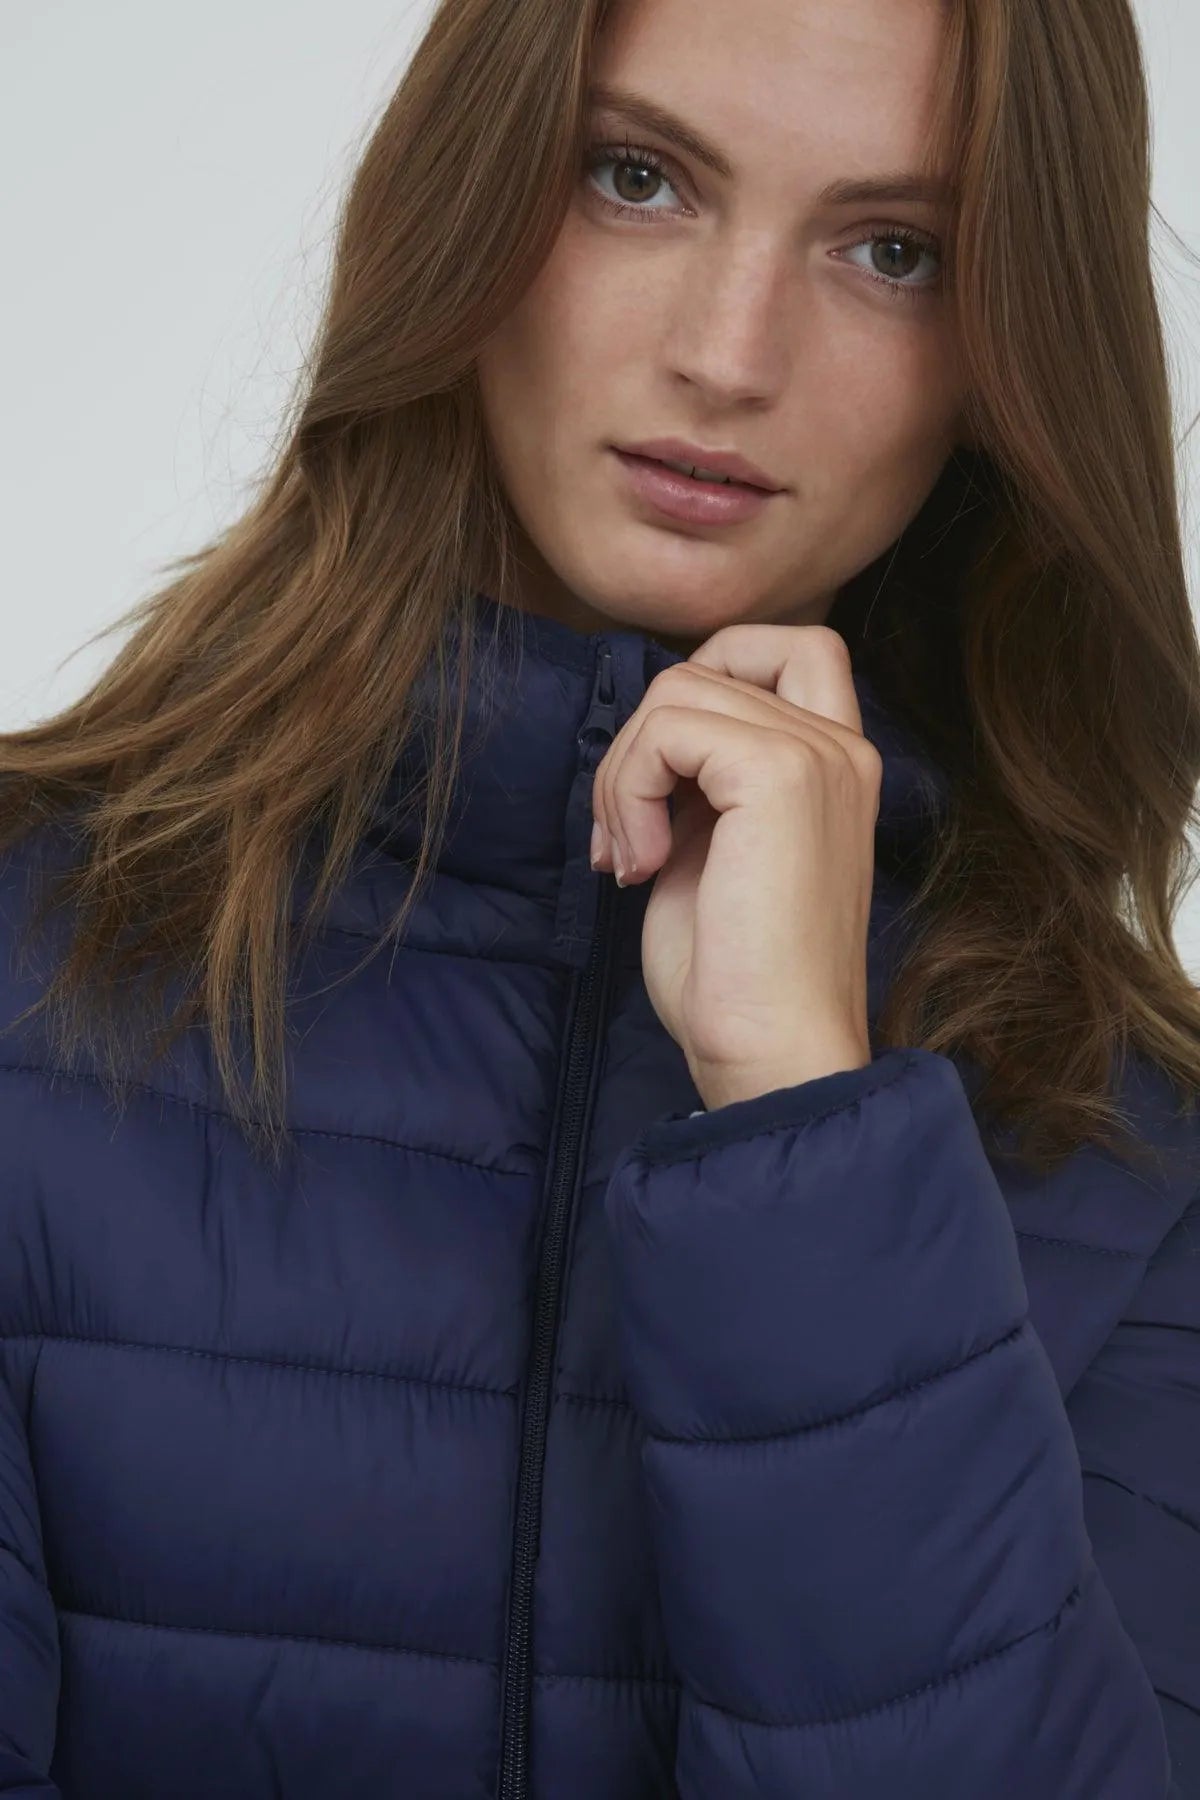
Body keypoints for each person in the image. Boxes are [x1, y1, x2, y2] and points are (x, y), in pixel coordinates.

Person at [2, 0, 1199, 1793]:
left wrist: (809, 1124)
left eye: (895, 251)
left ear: (1008, 346)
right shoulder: (25, 955)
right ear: (467, 196)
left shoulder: (1140, 1156)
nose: (729, 354)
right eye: (637, 178)